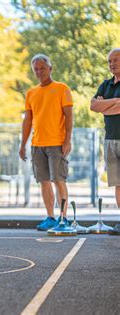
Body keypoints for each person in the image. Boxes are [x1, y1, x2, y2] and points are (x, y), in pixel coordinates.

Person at [19, 54, 74, 231]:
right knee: (43, 181)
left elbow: (69, 116)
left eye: (42, 68)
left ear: (50, 68)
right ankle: (50, 217)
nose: (39, 72)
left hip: (57, 143)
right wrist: (22, 144)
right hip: (37, 145)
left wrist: (67, 140)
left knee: (59, 180)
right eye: (36, 69)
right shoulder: (31, 93)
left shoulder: (62, 88)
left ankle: (63, 218)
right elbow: (27, 120)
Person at [90, 48, 120, 232]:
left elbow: (102, 107)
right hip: (110, 141)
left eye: (115, 60)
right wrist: (115, 103)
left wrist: (105, 105)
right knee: (118, 184)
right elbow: (93, 106)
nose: (112, 64)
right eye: (110, 61)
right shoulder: (105, 84)